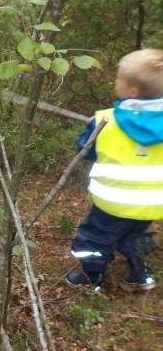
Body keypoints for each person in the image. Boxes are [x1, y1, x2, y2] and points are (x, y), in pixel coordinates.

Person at [67, 49, 163, 292]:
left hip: (112, 203)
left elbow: (85, 150)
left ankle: (91, 279)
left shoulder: (106, 121)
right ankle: (141, 276)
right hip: (152, 203)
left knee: (93, 238)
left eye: (118, 79)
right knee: (133, 236)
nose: (114, 82)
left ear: (133, 92)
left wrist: (93, 128)